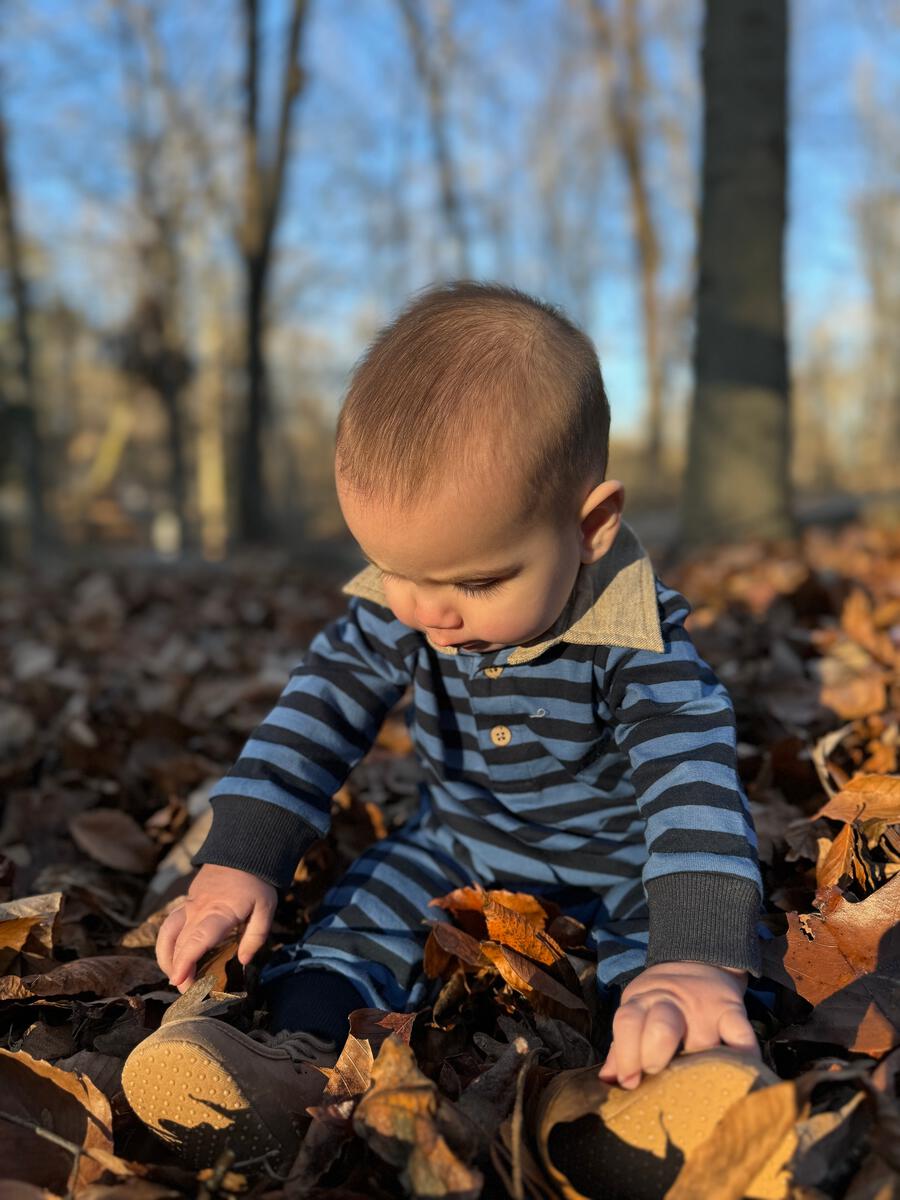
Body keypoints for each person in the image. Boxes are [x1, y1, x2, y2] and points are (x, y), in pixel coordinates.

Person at [122, 281, 768, 1171]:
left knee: (672, 971)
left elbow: (695, 790)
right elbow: (312, 717)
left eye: (477, 583)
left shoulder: (638, 644)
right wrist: (241, 857)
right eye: (392, 568)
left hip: (623, 867)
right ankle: (294, 1060)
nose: (431, 612)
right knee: (363, 914)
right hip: (459, 846)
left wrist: (697, 954)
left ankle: (658, 1108)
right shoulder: (410, 607)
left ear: (590, 527)